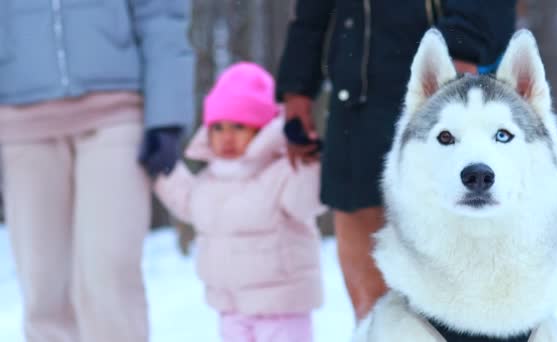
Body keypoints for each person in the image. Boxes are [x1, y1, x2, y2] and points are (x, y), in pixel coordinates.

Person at [276, 0, 517, 320]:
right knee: (369, 284)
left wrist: (463, 46)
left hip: (440, 92)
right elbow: (312, 13)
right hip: (355, 99)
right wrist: (297, 88)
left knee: (456, 280)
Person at [0, 1, 193, 341]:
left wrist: (166, 115)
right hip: (20, 124)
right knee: (44, 289)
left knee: (108, 278)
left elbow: (161, 14)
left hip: (115, 114)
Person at [155, 62, 325, 342]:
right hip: (231, 308)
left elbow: (307, 202)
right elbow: (188, 202)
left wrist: (308, 160)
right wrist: (166, 170)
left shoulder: (282, 169)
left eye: (239, 126)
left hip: (281, 308)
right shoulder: (211, 178)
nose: (227, 136)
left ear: (261, 129)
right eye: (218, 127)